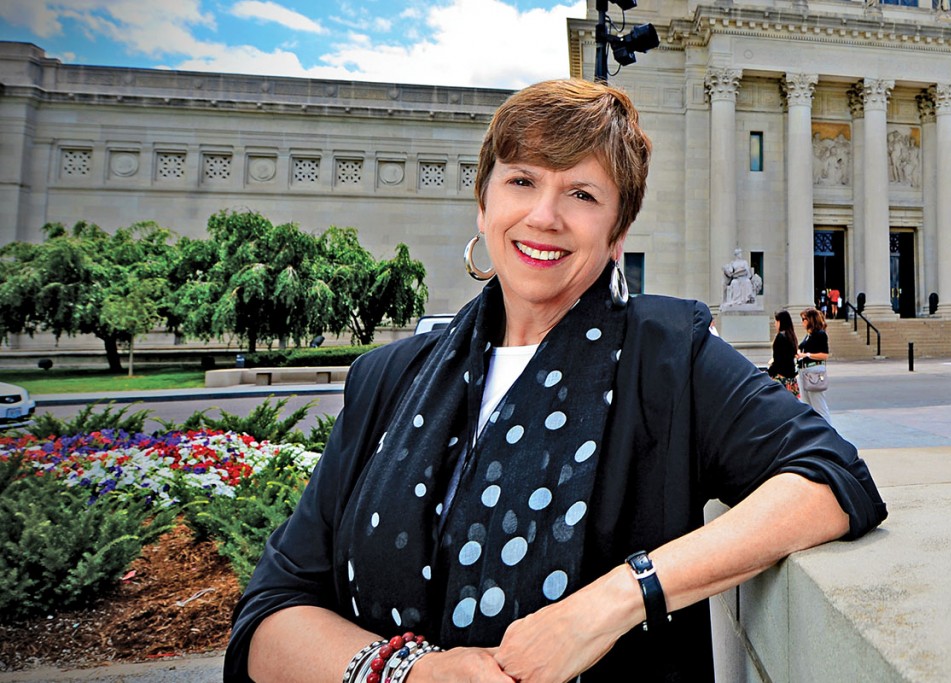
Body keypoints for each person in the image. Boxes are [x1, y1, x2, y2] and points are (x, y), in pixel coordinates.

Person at [225, 79, 886, 683]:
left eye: (582, 193)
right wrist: (411, 675)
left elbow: (831, 475)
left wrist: (616, 599)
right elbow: (270, 616)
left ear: (617, 232)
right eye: (520, 181)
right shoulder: (388, 381)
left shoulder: (666, 358)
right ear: (483, 205)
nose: (545, 215)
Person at [797, 307, 832, 425]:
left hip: (814, 370)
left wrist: (806, 354)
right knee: (807, 404)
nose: (802, 322)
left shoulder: (820, 334)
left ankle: (828, 430)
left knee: (818, 404)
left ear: (810, 320)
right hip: (804, 370)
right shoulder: (809, 335)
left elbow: (824, 355)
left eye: (804, 319)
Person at [767, 310, 800, 399]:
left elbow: (778, 360)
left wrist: (769, 372)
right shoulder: (791, 336)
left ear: (780, 322)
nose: (775, 324)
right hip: (791, 379)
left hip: (781, 377)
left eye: (776, 321)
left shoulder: (780, 337)